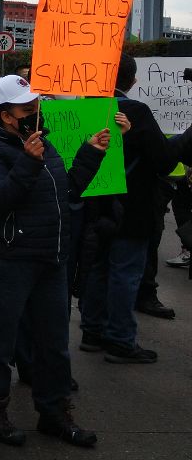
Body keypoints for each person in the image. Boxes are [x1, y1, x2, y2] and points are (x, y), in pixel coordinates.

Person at [0, 75, 110, 448]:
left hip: (51, 258)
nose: (35, 113)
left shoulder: (43, 144)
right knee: (1, 340)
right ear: (5, 116)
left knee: (54, 342)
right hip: (11, 260)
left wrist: (91, 152)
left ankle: (54, 412)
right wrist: (28, 163)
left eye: (37, 106)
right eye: (26, 109)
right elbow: (0, 197)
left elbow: (69, 190)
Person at [79, 54, 192, 362]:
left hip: (94, 203)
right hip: (132, 206)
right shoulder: (135, 111)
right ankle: (120, 339)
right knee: (125, 273)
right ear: (131, 80)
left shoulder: (81, 107)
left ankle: (92, 331)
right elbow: (165, 160)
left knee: (99, 268)